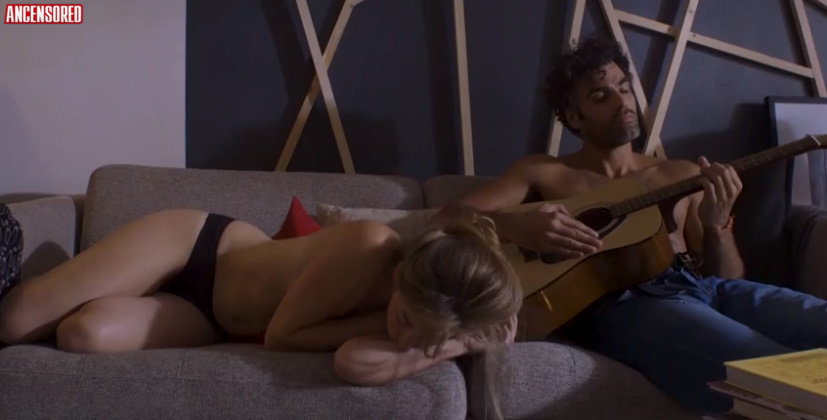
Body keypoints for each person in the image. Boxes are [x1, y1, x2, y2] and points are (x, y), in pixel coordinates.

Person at [432, 35, 827, 415]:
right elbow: (447, 217)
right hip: (623, 305)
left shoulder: (681, 174)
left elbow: (726, 277)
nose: (622, 101)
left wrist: (717, 226)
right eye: (600, 96)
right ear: (574, 116)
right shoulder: (544, 172)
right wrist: (514, 226)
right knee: (775, 370)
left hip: (705, 288)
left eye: (624, 87)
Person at [0, 208, 520, 390]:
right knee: (15, 321)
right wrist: (415, 338)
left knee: (81, 334)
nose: (403, 338)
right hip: (196, 248)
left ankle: (75, 286)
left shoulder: (427, 327)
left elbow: (351, 362)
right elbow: (281, 336)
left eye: (422, 337)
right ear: (405, 275)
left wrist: (458, 344)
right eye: (404, 319)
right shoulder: (370, 246)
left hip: (207, 318)